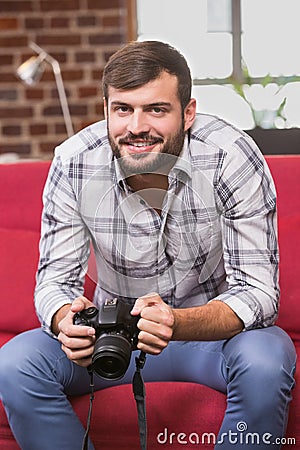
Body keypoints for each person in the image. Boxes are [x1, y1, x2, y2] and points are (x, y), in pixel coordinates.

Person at [0, 40, 296, 449]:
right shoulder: (74, 162)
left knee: (267, 360)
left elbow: (259, 294)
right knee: (15, 364)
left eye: (156, 109)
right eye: (123, 109)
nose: (137, 126)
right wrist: (63, 317)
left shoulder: (231, 155)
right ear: (106, 111)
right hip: (113, 339)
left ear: (187, 113)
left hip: (210, 336)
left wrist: (176, 322)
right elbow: (54, 283)